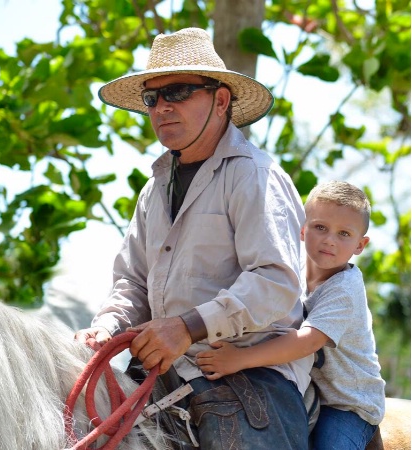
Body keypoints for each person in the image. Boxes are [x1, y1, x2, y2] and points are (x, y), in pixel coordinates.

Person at [75, 27, 313, 449]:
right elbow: (133, 282)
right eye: (152, 98)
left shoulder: (253, 175)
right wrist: (106, 328)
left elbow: (276, 282)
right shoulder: (154, 189)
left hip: (248, 376)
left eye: (178, 92)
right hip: (160, 371)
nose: (162, 107)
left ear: (221, 101)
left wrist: (187, 328)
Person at [196, 180, 386, 450]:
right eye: (320, 227)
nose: (330, 240)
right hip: (308, 388)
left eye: (344, 233)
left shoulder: (344, 289)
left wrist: (239, 358)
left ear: (360, 245)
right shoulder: (288, 268)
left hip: (347, 403)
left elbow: (308, 341)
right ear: (302, 228)